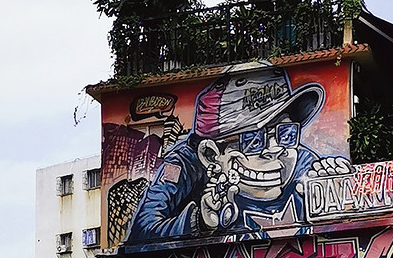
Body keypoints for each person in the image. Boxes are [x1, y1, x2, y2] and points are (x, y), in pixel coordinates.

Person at [126, 66, 351, 245]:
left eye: (286, 132)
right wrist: (199, 223)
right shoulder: (181, 165)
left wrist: (337, 194)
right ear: (211, 155)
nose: (274, 149)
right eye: (253, 140)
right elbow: (142, 232)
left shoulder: (300, 160)